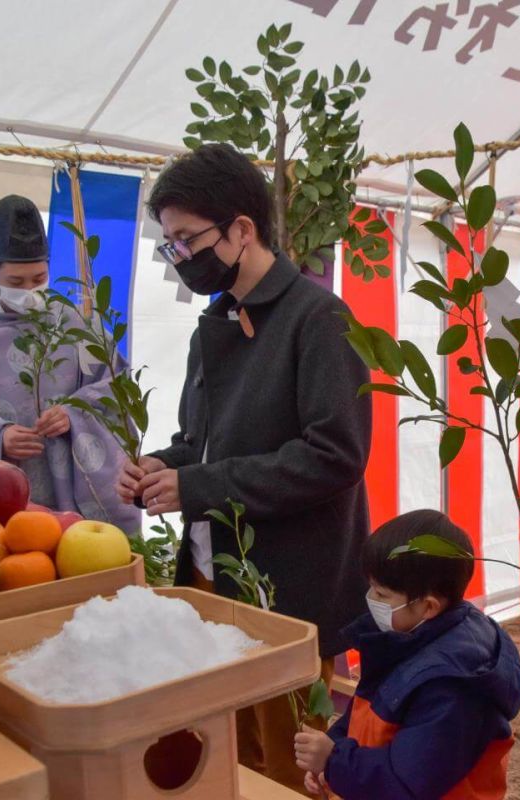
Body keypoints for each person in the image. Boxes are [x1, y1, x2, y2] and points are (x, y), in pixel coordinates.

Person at [116, 143, 372, 794]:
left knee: (290, 769)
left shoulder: (318, 320)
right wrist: (160, 465)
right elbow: (199, 441)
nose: (179, 257)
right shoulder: (217, 321)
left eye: (186, 239)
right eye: (169, 244)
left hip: (285, 590)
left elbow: (335, 455)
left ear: (241, 229)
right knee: (235, 758)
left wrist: (195, 485)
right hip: (214, 580)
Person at [293, 510, 520, 800]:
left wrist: (334, 761)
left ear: (428, 606)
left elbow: (407, 785)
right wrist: (331, 752)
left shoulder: (453, 686)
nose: (370, 600)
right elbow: (365, 712)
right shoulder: (404, 639)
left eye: (381, 593)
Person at [0, 195, 138, 529]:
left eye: (39, 279)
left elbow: (119, 390)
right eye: (16, 283)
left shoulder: (80, 328)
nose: (29, 290)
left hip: (72, 497)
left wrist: (74, 412)